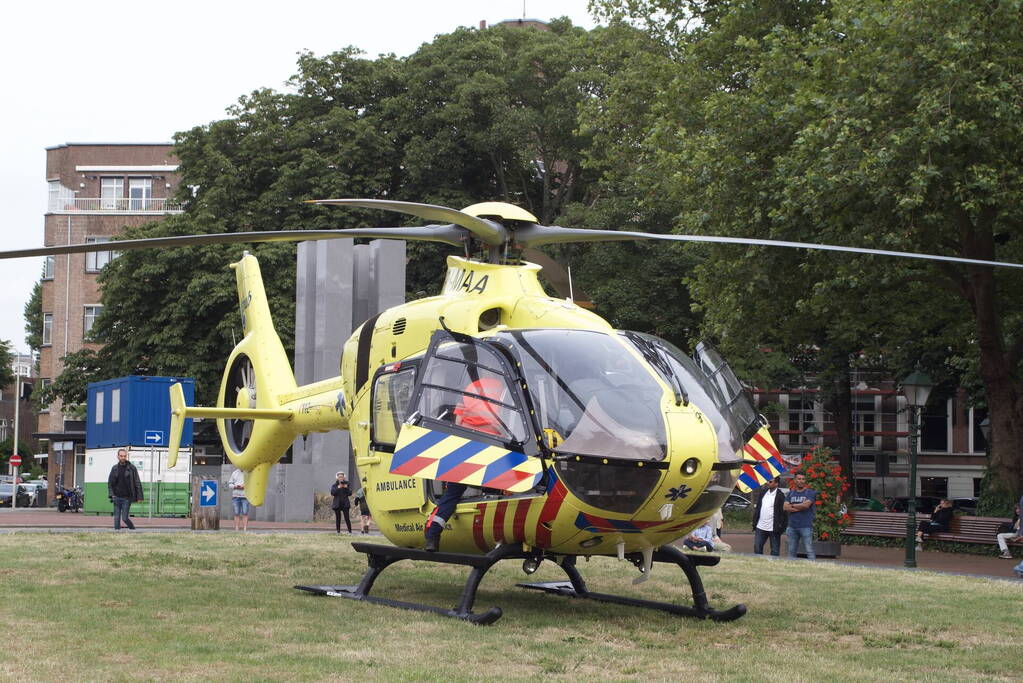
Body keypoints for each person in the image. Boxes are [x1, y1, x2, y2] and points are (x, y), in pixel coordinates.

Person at [424, 377, 505, 552]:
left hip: (467, 446)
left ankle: (432, 536)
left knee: (452, 495)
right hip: (494, 446)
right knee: (499, 492)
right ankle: (498, 537)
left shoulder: (471, 387)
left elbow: (459, 421)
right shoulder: (503, 387)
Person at [107, 449, 143, 530]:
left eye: (124, 456)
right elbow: (110, 483)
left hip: (127, 498)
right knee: (116, 519)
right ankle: (117, 536)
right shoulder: (114, 468)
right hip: (116, 497)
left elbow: (137, 482)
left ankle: (133, 529)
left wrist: (140, 497)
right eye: (121, 456)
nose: (123, 457)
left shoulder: (132, 468)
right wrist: (112, 495)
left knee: (124, 518)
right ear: (118, 456)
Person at [784, 473, 817, 560]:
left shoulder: (810, 492)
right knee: (791, 551)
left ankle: (814, 568)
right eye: (799, 479)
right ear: (795, 480)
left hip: (806, 526)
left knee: (809, 550)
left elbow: (806, 505)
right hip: (792, 526)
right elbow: (785, 507)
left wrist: (792, 505)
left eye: (803, 479)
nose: (801, 481)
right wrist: (800, 506)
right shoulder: (790, 493)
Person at [752, 476, 787, 556]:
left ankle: (774, 565)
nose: (768, 483)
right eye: (767, 481)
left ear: (776, 484)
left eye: (770, 482)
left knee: (775, 550)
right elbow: (758, 508)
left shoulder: (780, 495)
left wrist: (781, 526)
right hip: (760, 526)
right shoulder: (763, 492)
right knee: (757, 547)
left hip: (773, 528)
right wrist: (755, 521)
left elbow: (783, 513)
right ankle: (758, 564)